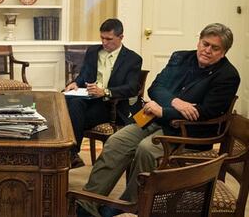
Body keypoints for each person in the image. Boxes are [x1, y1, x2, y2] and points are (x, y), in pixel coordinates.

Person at [77, 23, 240, 217]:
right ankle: (89, 204)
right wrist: (175, 102)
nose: (207, 50)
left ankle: (130, 205)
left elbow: (206, 112)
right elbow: (155, 87)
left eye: (215, 48)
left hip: (190, 132)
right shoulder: (180, 57)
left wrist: (164, 111)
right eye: (205, 44)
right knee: (116, 142)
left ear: (224, 52)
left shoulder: (228, 76)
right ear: (199, 41)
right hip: (153, 118)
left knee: (145, 150)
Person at [64, 18, 142, 168]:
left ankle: (70, 154)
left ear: (121, 38)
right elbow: (84, 74)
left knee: (70, 114)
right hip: (88, 98)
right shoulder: (93, 51)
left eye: (109, 39)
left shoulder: (133, 59)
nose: (104, 42)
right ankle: (71, 155)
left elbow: (132, 88)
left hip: (110, 105)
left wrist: (105, 91)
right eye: (102, 38)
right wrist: (75, 83)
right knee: (68, 103)